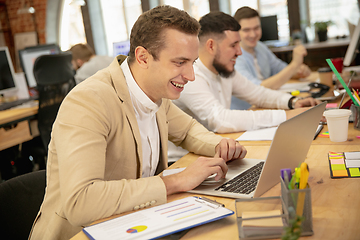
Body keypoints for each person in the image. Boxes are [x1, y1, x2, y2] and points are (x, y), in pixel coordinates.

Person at [29, 6, 247, 240]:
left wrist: (221, 146)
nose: (190, 76)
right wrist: (174, 182)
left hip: (136, 222)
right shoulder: (89, 101)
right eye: (179, 62)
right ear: (143, 57)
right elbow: (81, 201)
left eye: (192, 63)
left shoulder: (154, 90)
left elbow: (187, 131)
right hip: (84, 232)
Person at [173, 11, 320, 134]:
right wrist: (287, 116)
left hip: (215, 150)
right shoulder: (190, 76)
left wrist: (293, 102)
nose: (239, 52)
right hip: (185, 161)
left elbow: (258, 94)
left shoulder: (223, 69)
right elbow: (219, 120)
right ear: (211, 46)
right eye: (233, 45)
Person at [233, 7, 312, 90]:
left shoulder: (260, 47)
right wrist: (294, 65)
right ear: (236, 31)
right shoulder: (234, 57)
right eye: (246, 30)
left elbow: (281, 69)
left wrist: (299, 71)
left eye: (256, 28)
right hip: (251, 102)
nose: (253, 34)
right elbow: (255, 89)